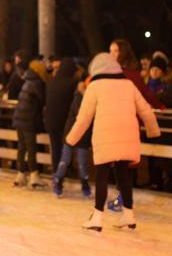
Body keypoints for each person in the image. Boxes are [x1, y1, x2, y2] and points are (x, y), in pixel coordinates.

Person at [66, 53, 161, 232]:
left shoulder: (95, 86)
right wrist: (153, 131)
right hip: (127, 137)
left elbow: (83, 118)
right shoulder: (128, 85)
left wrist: (71, 139)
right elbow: (146, 110)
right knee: (123, 174)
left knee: (102, 176)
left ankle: (97, 217)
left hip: (106, 138)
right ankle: (129, 214)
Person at [52, 80, 92, 199]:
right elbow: (81, 115)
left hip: (83, 135)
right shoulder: (78, 98)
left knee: (82, 163)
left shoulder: (91, 99)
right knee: (65, 160)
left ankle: (85, 185)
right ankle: (58, 182)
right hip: (71, 133)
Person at [11, 59, 46, 188]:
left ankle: (20, 174)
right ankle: (34, 175)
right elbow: (43, 100)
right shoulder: (37, 83)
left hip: (19, 119)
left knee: (22, 147)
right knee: (31, 148)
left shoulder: (27, 81)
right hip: (27, 120)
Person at [44, 58, 79, 183]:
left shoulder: (52, 82)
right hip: (65, 122)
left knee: (55, 148)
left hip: (51, 121)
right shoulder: (73, 83)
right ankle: (64, 173)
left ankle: (55, 173)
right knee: (66, 148)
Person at [110, 38, 163, 109]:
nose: (111, 54)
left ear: (123, 52)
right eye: (110, 51)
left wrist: (162, 108)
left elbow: (146, 93)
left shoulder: (131, 74)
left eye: (116, 51)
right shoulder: (109, 72)